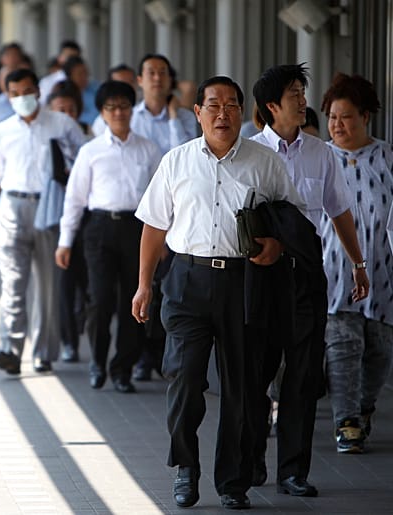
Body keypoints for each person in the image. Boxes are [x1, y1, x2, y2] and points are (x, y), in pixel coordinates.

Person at [132, 76, 305, 510]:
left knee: (242, 388)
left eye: (230, 105)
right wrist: (143, 285)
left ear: (244, 112)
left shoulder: (264, 162)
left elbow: (293, 218)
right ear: (198, 112)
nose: (222, 113)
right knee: (186, 377)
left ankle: (233, 481)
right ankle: (185, 467)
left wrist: (277, 244)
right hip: (187, 281)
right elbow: (154, 226)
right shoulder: (177, 161)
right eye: (213, 105)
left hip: (245, 283)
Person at [249, 63, 369, 497]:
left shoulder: (321, 152)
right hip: (261, 279)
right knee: (257, 373)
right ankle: (252, 461)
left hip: (307, 279)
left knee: (301, 376)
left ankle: (293, 472)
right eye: (295, 94)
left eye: (302, 91)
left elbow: (339, 212)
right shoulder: (250, 154)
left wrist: (358, 264)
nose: (303, 100)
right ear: (271, 106)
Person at [0, 68, 86, 374]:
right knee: (13, 283)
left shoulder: (61, 124)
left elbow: (84, 161)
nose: (22, 98)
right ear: (7, 95)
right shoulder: (1, 131)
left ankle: (42, 352)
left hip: (49, 209)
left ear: (38, 91)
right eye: (15, 94)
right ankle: (9, 349)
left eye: (26, 92)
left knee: (47, 286)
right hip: (12, 206)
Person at [56, 81, 160, 391]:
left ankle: (122, 369)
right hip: (99, 229)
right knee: (100, 301)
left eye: (124, 106)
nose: (118, 113)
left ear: (132, 109)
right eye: (111, 107)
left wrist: (162, 240)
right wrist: (65, 241)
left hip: (136, 229)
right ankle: (98, 362)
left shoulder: (149, 149)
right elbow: (74, 199)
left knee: (134, 300)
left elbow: (161, 199)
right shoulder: (91, 151)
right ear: (102, 113)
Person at [320, 73, 393, 454]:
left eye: (346, 117)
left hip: (382, 274)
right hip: (334, 274)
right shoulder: (320, 159)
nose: (337, 125)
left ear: (365, 116)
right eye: (332, 117)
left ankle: (364, 408)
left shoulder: (387, 158)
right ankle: (346, 419)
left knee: (379, 349)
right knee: (343, 345)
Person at [130, 53, 198, 382]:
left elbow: (183, 157)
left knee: (170, 289)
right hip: (141, 215)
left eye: (163, 72)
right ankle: (141, 355)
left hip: (179, 217)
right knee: (141, 284)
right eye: (150, 72)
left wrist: (173, 117)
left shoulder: (185, 119)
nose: (157, 78)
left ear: (170, 80)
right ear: (139, 80)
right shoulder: (130, 118)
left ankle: (162, 353)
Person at [43, 80, 91, 363]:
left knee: (86, 280)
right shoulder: (48, 139)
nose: (66, 116)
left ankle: (82, 314)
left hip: (89, 216)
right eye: (60, 110)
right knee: (65, 281)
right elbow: (58, 175)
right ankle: (68, 341)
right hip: (57, 217)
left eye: (71, 110)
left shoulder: (90, 133)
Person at [91, 63, 137, 135]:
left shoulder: (143, 112)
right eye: (121, 83)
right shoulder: (101, 123)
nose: (126, 88)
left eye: (130, 82)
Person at [38, 40, 81, 105]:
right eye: (68, 57)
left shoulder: (86, 82)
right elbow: (43, 104)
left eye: (74, 58)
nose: (71, 61)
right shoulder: (47, 82)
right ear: (60, 58)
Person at [62, 56, 99, 127]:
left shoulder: (97, 88)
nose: (84, 76)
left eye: (85, 72)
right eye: (80, 74)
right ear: (70, 76)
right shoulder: (64, 93)